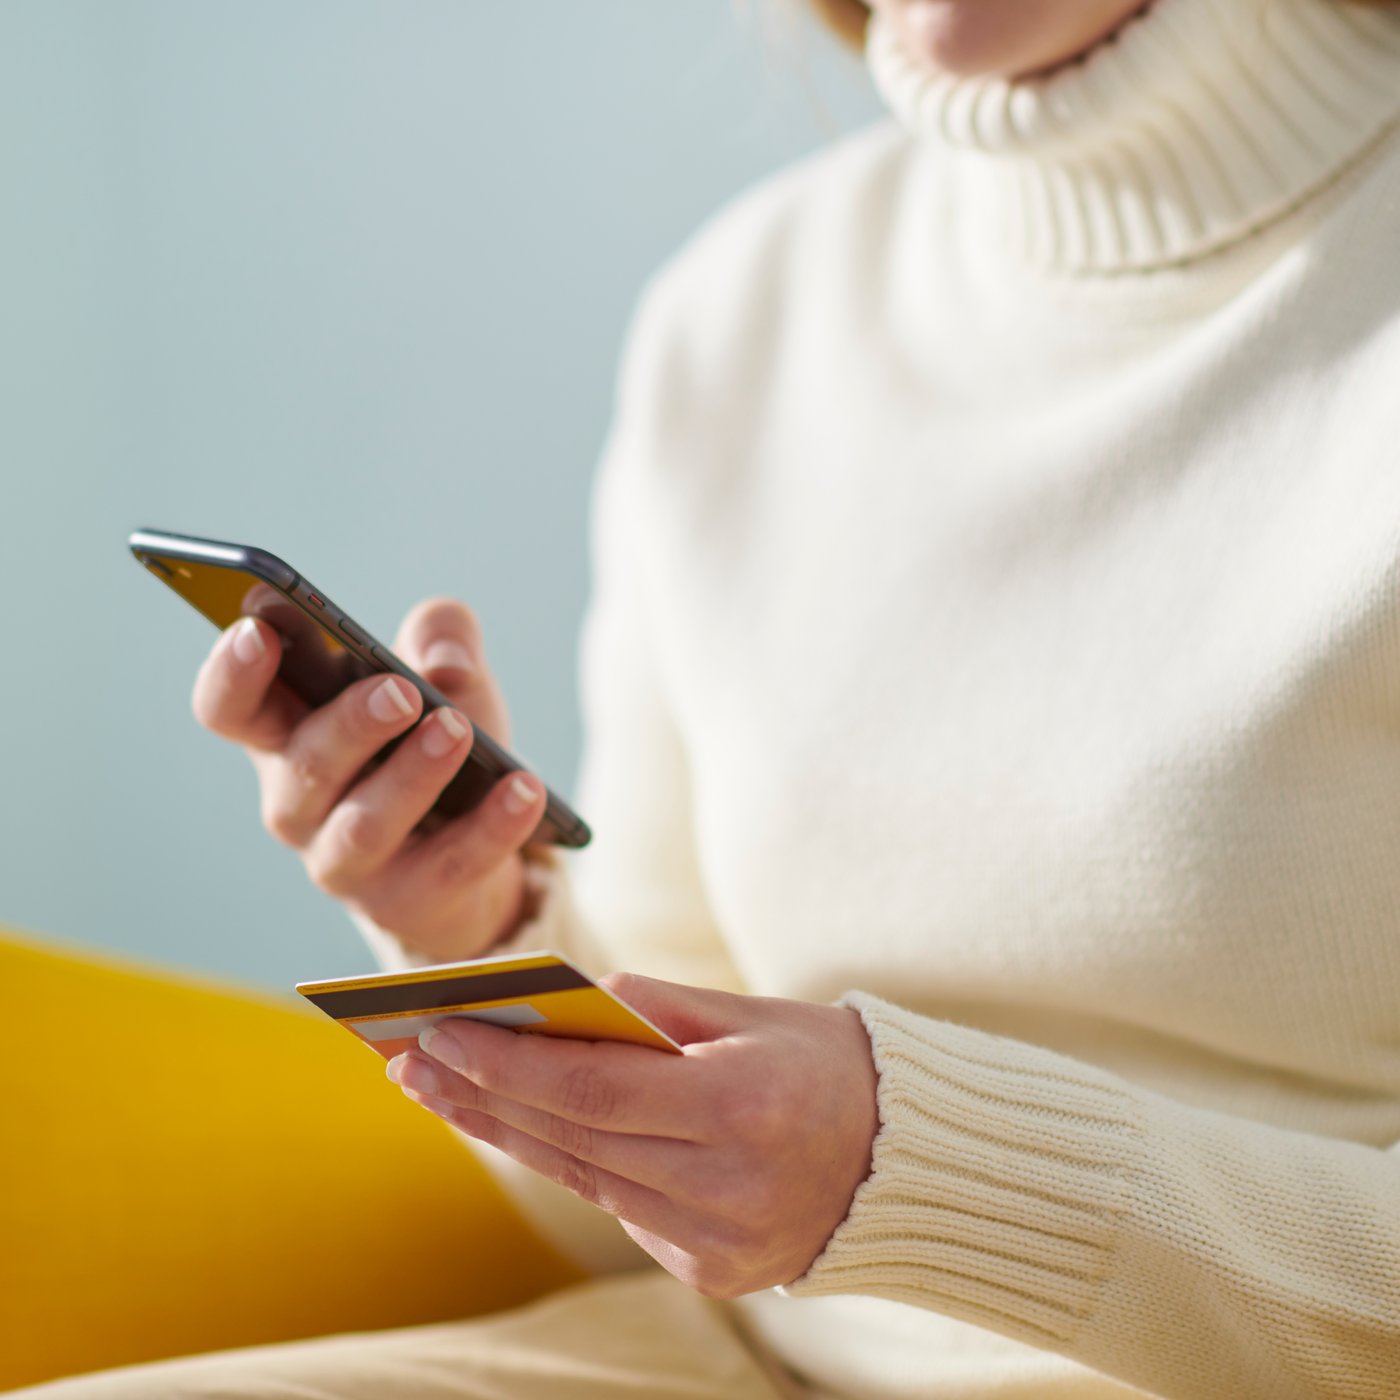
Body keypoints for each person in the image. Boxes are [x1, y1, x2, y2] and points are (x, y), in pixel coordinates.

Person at [25, 0, 1400, 1395]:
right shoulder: (745, 309)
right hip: (746, 1356)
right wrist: (477, 923)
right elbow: (638, 1219)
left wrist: (918, 1173)